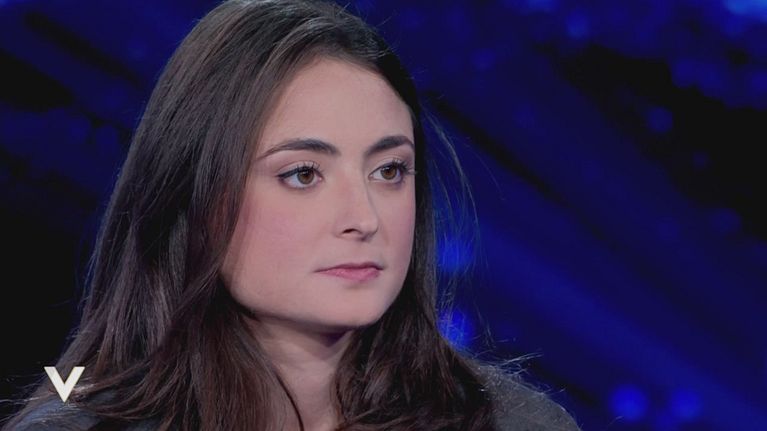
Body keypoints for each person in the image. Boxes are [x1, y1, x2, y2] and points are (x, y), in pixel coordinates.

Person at [2, 0, 582, 430]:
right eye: (303, 174)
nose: (364, 219)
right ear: (195, 195)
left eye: (389, 171)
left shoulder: (516, 424)